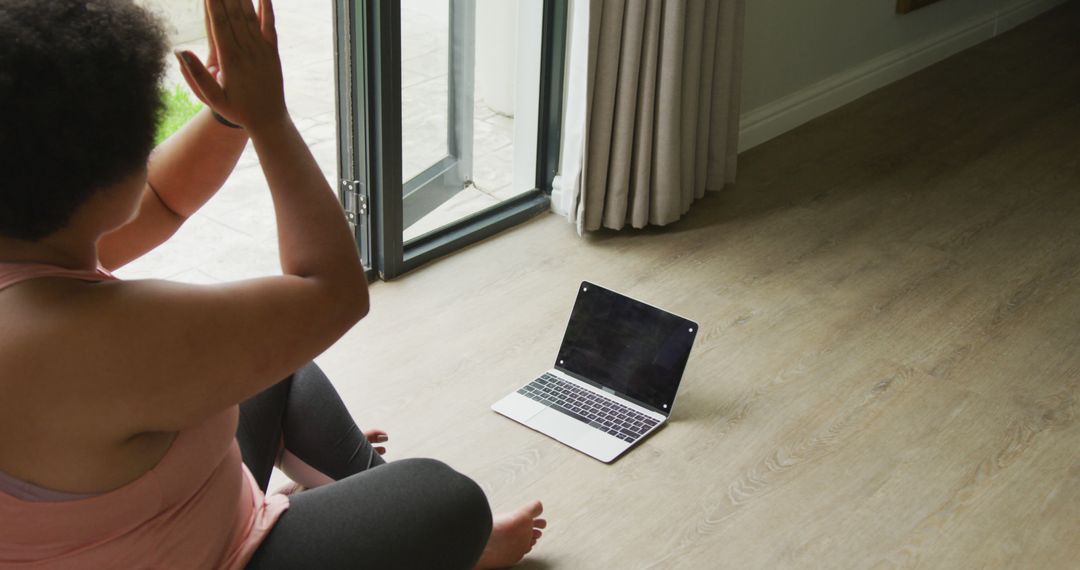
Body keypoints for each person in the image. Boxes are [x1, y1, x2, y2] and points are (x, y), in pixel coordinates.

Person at [0, 0, 545, 568]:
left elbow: (162, 198)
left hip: (150, 521)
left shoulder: (25, 232)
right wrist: (270, 119)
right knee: (447, 500)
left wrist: (231, 113)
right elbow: (329, 292)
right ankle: (450, 543)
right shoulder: (99, 339)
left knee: (276, 356)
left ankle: (352, 484)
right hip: (214, 554)